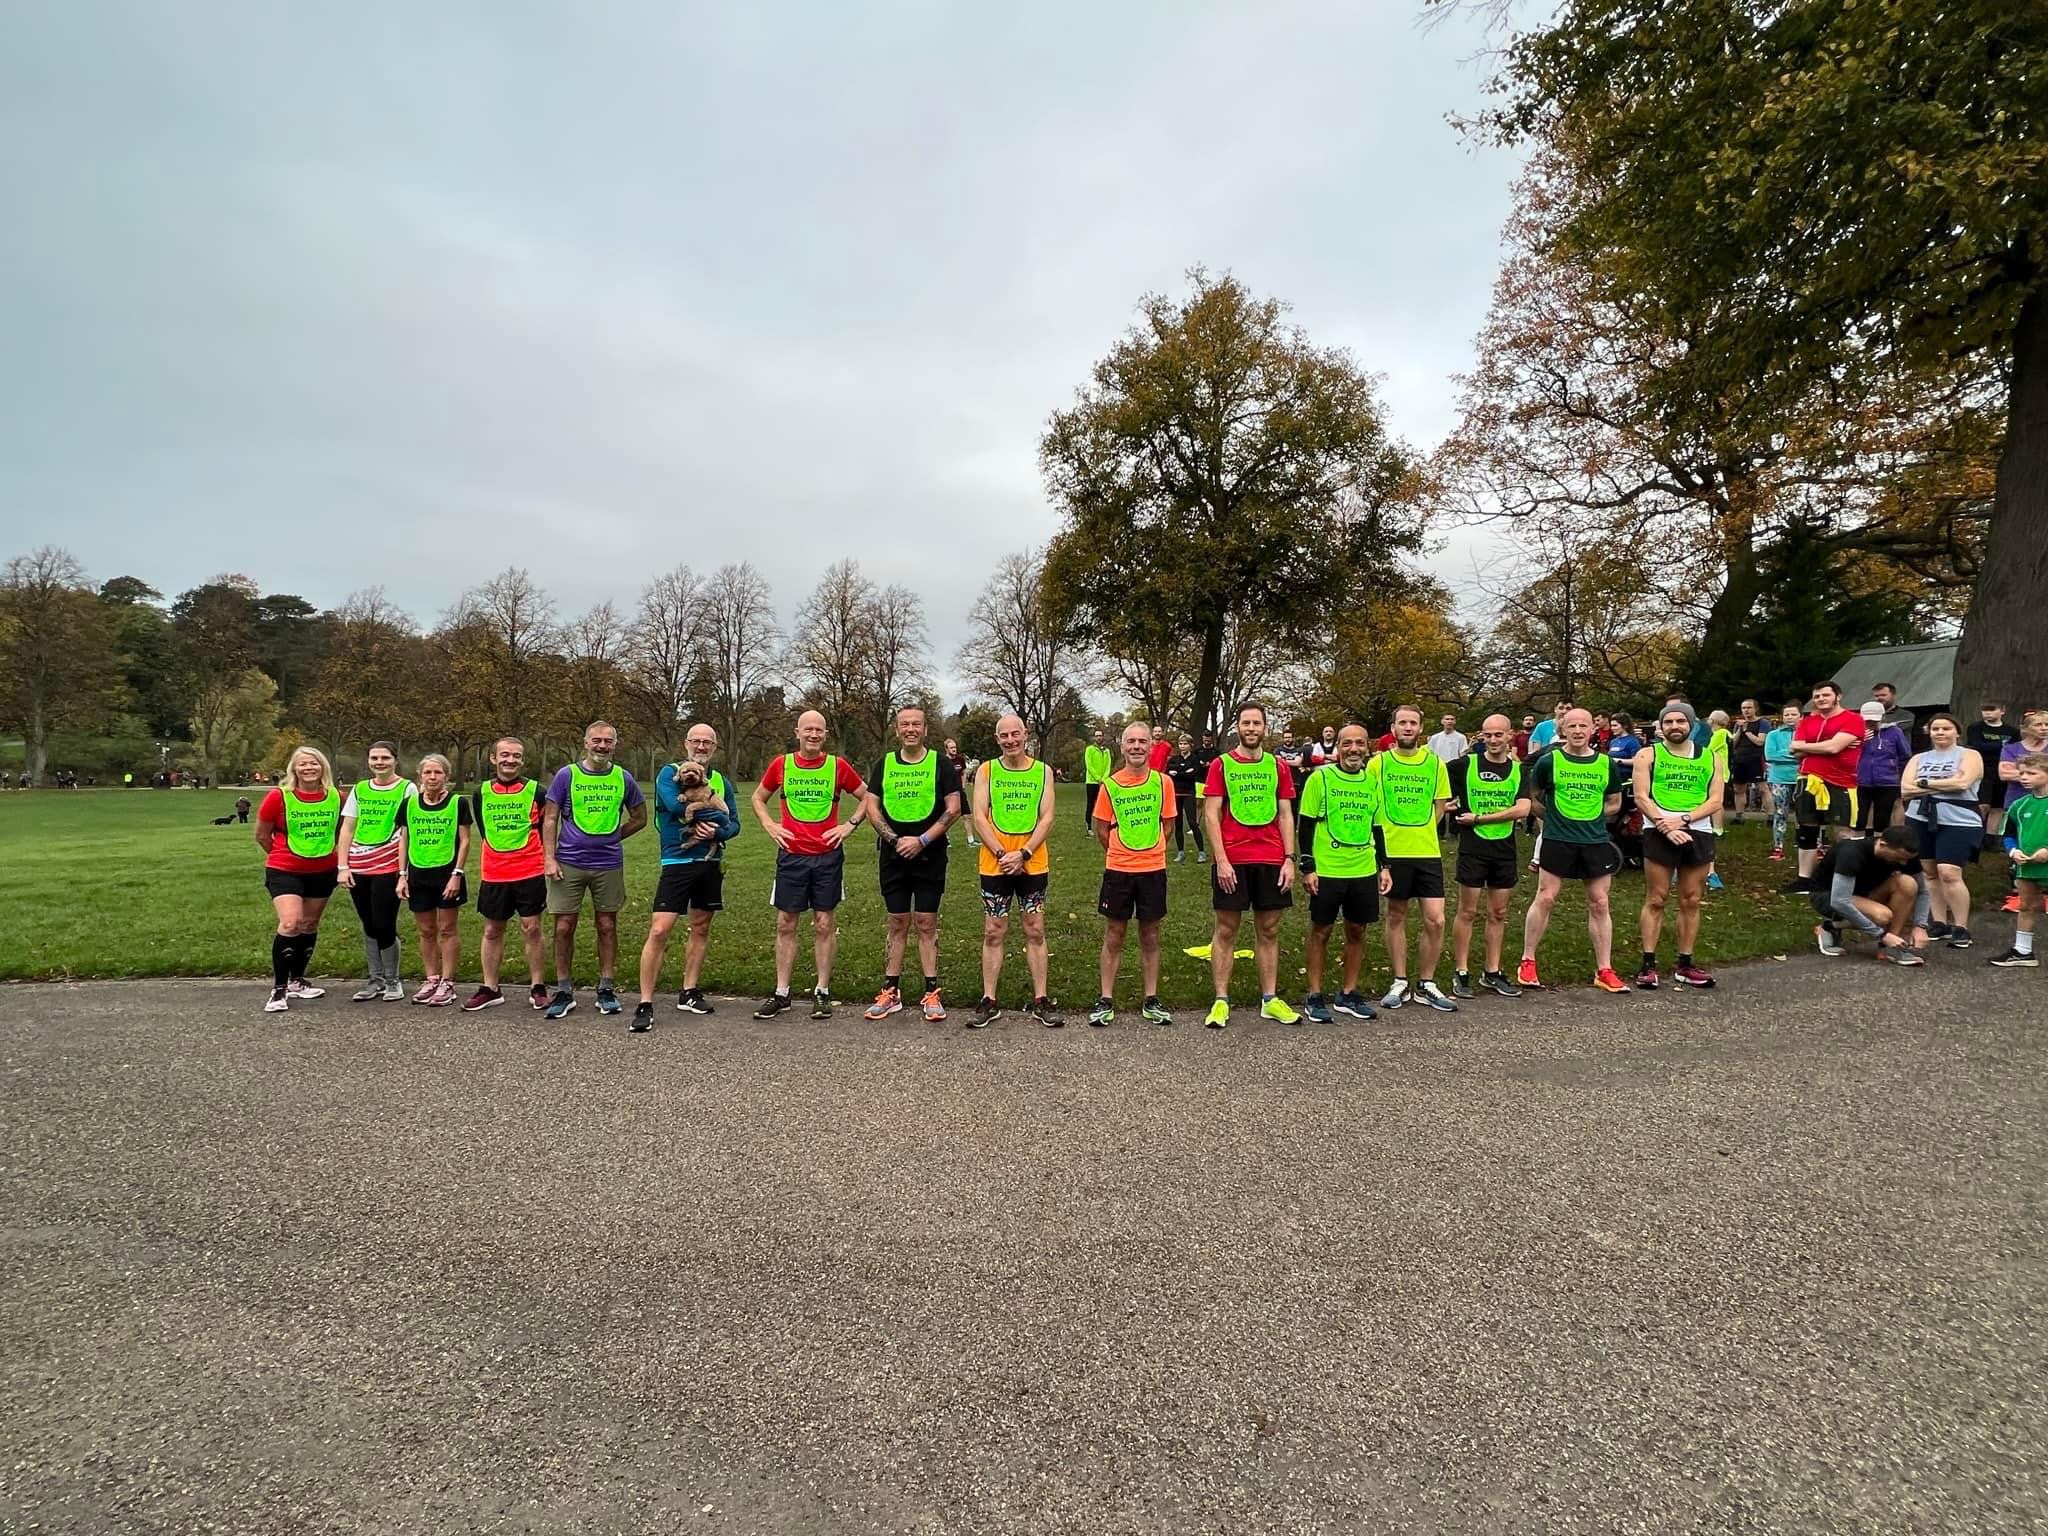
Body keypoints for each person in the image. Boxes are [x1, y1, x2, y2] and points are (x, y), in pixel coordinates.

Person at [752, 711, 867, 1020]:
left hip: (827, 856)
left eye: (819, 730)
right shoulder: (782, 764)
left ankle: (822, 991)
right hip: (792, 856)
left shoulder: (838, 766)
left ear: (825, 734)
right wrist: (770, 825)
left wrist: (849, 825)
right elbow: (758, 798)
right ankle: (782, 993)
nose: (813, 735)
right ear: (797, 733)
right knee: (786, 922)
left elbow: (868, 796)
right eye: (808, 729)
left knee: (824, 922)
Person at [633, 723, 740, 1031]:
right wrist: (717, 817)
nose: (701, 746)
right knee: (659, 929)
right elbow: (672, 805)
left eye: (708, 742)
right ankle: (645, 1002)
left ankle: (689, 991)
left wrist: (719, 831)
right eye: (696, 741)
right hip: (677, 860)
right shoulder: (669, 773)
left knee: (701, 926)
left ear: (715, 747)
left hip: (710, 862)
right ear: (686, 743)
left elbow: (735, 823)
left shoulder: (722, 781)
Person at [1200, 702, 1300, 1028]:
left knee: (1269, 930)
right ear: (1238, 728)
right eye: (1246, 723)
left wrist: (1289, 859)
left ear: (1265, 727)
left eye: (1257, 723)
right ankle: (1221, 1000)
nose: (1252, 728)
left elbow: (1286, 815)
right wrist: (1221, 860)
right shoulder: (1221, 765)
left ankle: (1270, 1000)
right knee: (1226, 929)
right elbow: (1211, 814)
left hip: (1271, 858)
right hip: (1233, 860)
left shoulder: (1278, 766)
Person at [861, 705, 963, 1023]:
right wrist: (895, 840)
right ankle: (890, 991)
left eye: (916, 724)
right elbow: (872, 806)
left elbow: (954, 807)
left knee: (926, 922)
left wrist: (922, 840)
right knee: (897, 922)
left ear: (925, 729)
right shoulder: (885, 764)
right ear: (897, 730)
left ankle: (931, 992)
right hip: (893, 856)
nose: (910, 729)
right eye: (904, 724)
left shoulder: (941, 763)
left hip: (930, 855)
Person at [1518, 708, 1630, 993]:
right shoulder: (1549, 761)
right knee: (1546, 898)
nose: (1578, 731)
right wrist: (1554, 819)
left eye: (1583, 726)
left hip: (1595, 840)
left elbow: (1615, 802)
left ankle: (1604, 970)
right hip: (1558, 839)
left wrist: (1591, 816)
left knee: (1600, 902)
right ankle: (1527, 961)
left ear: (1593, 729)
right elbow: (1535, 798)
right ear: (1563, 730)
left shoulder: (1605, 763)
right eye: (1572, 726)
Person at [540, 722, 647, 1019]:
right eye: (596, 740)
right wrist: (549, 858)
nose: (602, 746)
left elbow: (640, 817)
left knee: (607, 925)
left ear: (615, 745)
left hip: (608, 863)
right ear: (585, 742)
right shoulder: (567, 775)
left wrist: (613, 836)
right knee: (563, 927)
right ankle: (564, 990)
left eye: (608, 741)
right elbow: (550, 819)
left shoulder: (623, 777)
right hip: (568, 862)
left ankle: (606, 988)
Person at [1363, 705, 1456, 1011]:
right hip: (1392, 851)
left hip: (1426, 850)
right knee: (1396, 915)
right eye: (1402, 722)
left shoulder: (1435, 764)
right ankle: (1400, 980)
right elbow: (1369, 803)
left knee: (1436, 919)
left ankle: (1426, 983)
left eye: (1412, 723)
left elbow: (1440, 805)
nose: (1407, 727)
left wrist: (1422, 829)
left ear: (1420, 728)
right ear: (1393, 728)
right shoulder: (1378, 764)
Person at [970, 713, 1060, 1028]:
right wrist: (1002, 854)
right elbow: (980, 817)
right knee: (994, 930)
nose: (1010, 740)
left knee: (1034, 928)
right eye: (1004, 736)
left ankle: (1041, 999)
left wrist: (1023, 853)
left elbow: (1047, 817)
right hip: (995, 862)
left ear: (1025, 734)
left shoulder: (1043, 772)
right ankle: (989, 1000)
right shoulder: (987, 770)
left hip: (1032, 861)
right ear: (997, 739)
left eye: (1015, 734)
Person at [1297, 723, 1390, 1022]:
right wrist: (1308, 867)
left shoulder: (1372, 782)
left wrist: (1384, 866)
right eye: (1347, 743)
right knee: (1321, 930)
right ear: (1337, 747)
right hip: (1328, 869)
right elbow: (1305, 825)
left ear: (1367, 748)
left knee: (1357, 930)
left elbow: (1378, 827)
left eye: (1359, 743)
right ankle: (1314, 994)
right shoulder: (1320, 778)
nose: (1353, 749)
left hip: (1362, 868)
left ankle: (1348, 994)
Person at [1089, 722, 1176, 1027]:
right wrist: (1120, 852)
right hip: (1119, 869)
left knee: (1150, 934)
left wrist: (1150, 851)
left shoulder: (1163, 783)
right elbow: (1101, 829)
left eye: (1142, 741)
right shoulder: (1110, 785)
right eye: (1131, 742)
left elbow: (1168, 826)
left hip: (1153, 869)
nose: (1137, 746)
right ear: (1122, 747)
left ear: (1151, 746)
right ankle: (1105, 998)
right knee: (1114, 933)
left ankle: (1151, 998)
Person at [1632, 703, 1725, 989]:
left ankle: (1685, 964)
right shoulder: (1648, 754)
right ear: (1661, 726)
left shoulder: (1710, 757)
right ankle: (1648, 964)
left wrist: (1684, 820)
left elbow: (1716, 800)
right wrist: (1664, 826)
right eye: (1668, 721)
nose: (1674, 726)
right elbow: (1641, 796)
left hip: (1697, 830)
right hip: (1658, 829)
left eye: (1680, 721)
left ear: (1691, 724)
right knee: (1656, 898)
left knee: (1691, 899)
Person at [464, 737, 551, 1012]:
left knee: (532, 928)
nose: (510, 760)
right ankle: (490, 987)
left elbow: (545, 828)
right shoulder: (481, 792)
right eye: (504, 755)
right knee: (492, 929)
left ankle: (538, 986)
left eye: (516, 756)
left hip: (529, 869)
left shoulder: (537, 792)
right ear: (493, 758)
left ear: (522, 760)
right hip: (495, 871)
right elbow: (484, 829)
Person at [1448, 714, 1530, 999]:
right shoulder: (1465, 765)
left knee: (1499, 913)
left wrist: (1479, 818)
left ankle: (1492, 972)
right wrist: (1445, 804)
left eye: (1498, 735)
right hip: (1473, 849)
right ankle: (1461, 971)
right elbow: (1434, 781)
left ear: (1509, 735)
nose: (1493, 740)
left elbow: (1523, 809)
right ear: (1481, 737)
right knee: (1467, 912)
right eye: (1488, 735)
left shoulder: (1519, 770)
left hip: (1504, 850)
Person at [253, 746, 340, 1013]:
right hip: (285, 869)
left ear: (323, 767)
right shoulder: (278, 796)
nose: (309, 768)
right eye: (302, 764)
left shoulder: (337, 797)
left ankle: (297, 980)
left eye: (314, 763)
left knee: (309, 924)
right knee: (290, 923)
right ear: (294, 769)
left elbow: (343, 830)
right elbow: (262, 835)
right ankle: (279, 989)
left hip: (323, 870)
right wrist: (283, 856)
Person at [335, 741, 415, 1002]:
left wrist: (403, 872)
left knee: (384, 923)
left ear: (395, 760)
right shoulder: (360, 789)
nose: (379, 763)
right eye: (374, 758)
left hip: (388, 864)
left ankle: (392, 980)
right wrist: (343, 866)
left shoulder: (407, 788)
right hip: (358, 865)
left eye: (385, 758)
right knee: (369, 923)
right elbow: (348, 828)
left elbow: (409, 830)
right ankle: (375, 980)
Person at [1901, 713, 1984, 950]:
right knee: (1929, 872)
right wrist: (1944, 783)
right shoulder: (1919, 758)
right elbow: (1905, 790)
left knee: (1949, 872)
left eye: (1946, 728)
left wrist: (1924, 784)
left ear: (1957, 732)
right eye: (1935, 728)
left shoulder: (1969, 755)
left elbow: (1962, 783)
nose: (1940, 732)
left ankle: (1961, 926)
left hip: (1959, 820)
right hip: (1919, 818)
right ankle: (1939, 922)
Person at [396, 752, 470, 1007]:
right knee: (426, 930)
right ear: (420, 776)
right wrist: (402, 875)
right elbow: (404, 839)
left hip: (447, 875)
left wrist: (457, 875)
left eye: (438, 772)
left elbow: (465, 841)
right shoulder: (409, 804)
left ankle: (448, 981)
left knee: (447, 929)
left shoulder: (457, 803)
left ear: (446, 776)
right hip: (418, 875)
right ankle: (431, 978)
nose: (432, 777)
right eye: (427, 772)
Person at [1811, 822, 1930, 965]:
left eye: (1907, 859)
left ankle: (1891, 947)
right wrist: (1881, 934)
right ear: (1883, 845)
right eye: (1899, 857)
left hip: (1865, 894)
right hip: (1829, 896)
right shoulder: (1851, 853)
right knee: (1883, 916)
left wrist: (1920, 926)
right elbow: (1839, 901)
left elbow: (1922, 892)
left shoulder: (1907, 856)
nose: (1904, 863)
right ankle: (1830, 926)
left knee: (1908, 884)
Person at [1788, 680, 1865, 885]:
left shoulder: (1853, 719)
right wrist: (1823, 746)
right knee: (1806, 828)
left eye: (1825, 695)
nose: (1821, 699)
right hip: (1808, 779)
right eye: (1817, 696)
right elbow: (1794, 752)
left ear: (1838, 696)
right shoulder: (1807, 722)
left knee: (1843, 831)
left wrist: (1806, 746)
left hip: (1841, 781)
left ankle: (1845, 878)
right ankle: (1804, 879)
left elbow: (1833, 748)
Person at [1990, 752, 2048, 967]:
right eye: (2022, 773)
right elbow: (2008, 834)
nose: (2024, 777)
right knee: (2026, 905)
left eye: (2031, 773)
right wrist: (2014, 852)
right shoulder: (2019, 805)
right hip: (2027, 865)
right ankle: (2023, 952)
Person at [1996, 709, 2048, 912]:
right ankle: (2018, 894)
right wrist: (2036, 774)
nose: (2044, 729)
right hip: (2018, 801)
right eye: (2039, 725)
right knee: (2020, 843)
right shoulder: (2011, 748)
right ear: (2025, 728)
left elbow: (2011, 773)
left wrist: (2018, 772)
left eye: (2047, 725)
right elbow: (2003, 774)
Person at [1968, 701, 2021, 842]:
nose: (1987, 713)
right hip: (1982, 769)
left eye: (1992, 710)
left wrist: (1995, 747)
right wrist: (2002, 745)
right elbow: (1976, 745)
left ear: (2002, 711)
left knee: (1998, 807)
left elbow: (2013, 750)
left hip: (2002, 768)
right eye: (1984, 710)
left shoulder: (2012, 731)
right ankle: (1975, 836)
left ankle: (1992, 839)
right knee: (1983, 804)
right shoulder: (1975, 728)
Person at [1856, 700, 1912, 833]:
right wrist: (1859, 740)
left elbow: (1905, 755)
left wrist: (1900, 777)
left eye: (1874, 720)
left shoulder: (1894, 732)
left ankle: (1886, 839)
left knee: (1883, 817)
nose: (1870, 723)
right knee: (1860, 817)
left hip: (1888, 781)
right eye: (1867, 720)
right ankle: (1865, 839)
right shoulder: (1855, 732)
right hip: (1860, 781)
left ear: (1882, 717)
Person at [1764, 702, 1802, 860]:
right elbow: (1770, 755)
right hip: (1779, 778)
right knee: (1780, 812)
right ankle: (1778, 847)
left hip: (1802, 777)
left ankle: (1813, 845)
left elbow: (1811, 754)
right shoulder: (1773, 735)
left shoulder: (1807, 733)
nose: (1790, 717)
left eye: (1793, 714)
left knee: (1807, 814)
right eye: (1787, 714)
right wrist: (1796, 754)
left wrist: (1785, 754)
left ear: (1801, 716)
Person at [1165, 731, 1205, 864]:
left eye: (1185, 744)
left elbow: (1193, 774)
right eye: (1181, 744)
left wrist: (1178, 772)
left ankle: (1201, 852)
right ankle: (1180, 852)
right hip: (1176, 794)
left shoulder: (1195, 759)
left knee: (1192, 822)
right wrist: (1183, 771)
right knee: (1178, 824)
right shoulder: (1174, 759)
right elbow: (1168, 772)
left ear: (1190, 745)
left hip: (1189, 793)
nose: (1182, 746)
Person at [1730, 701, 1769, 815]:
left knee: (1763, 788)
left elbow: (1760, 741)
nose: (1746, 710)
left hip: (1756, 758)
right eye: (1743, 708)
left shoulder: (1763, 722)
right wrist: (1740, 729)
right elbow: (1733, 743)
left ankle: (1770, 816)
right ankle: (1739, 816)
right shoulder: (1739, 724)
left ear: (1755, 709)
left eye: (1749, 707)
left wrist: (1747, 731)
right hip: (1740, 759)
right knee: (1739, 789)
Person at [1082, 727, 1112, 833]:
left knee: (1104, 805)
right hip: (1092, 782)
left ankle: (1105, 826)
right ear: (1094, 738)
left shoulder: (1107, 751)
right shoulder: (1090, 749)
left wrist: (1104, 779)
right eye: (1097, 736)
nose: (1099, 738)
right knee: (1090, 804)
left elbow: (1108, 765)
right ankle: (1089, 827)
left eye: (1100, 735)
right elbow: (1089, 765)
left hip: (1103, 782)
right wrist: (1098, 778)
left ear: (1103, 737)